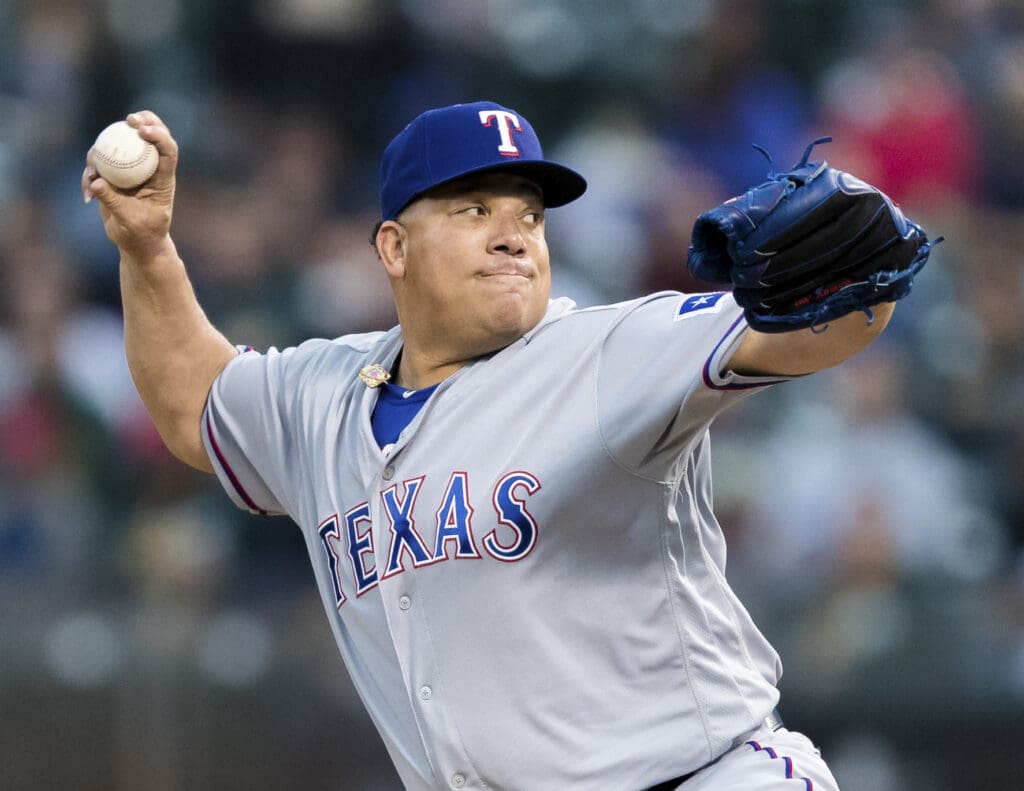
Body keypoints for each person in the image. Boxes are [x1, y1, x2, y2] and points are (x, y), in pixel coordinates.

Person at [82, 101, 897, 790]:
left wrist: (860, 282)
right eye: (475, 211)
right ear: (394, 249)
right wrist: (147, 249)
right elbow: (195, 406)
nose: (513, 236)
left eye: (528, 217)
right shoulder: (317, 397)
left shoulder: (609, 353)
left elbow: (812, 331)